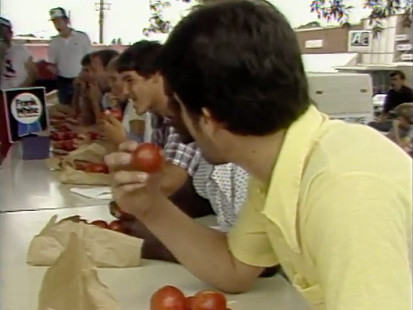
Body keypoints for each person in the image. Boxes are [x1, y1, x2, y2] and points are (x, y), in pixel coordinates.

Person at [105, 1, 412, 309]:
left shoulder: (346, 190)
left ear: (208, 120)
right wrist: (151, 207)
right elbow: (235, 269)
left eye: (179, 108)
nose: (174, 118)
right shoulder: (280, 166)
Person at [115, 41, 202, 197]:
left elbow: (169, 183)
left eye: (130, 81)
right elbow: (154, 173)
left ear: (156, 76)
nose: (125, 92)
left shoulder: (182, 116)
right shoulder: (157, 117)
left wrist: (120, 142)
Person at [48, 7, 92, 105]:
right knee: (65, 108)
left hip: (80, 80)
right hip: (63, 81)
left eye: (59, 21)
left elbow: (89, 59)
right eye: (55, 22)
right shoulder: (54, 42)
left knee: (82, 108)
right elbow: (52, 63)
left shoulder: (82, 37)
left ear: (66, 21)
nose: (57, 25)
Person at [0, 17, 37, 89]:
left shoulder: (21, 50)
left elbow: (33, 74)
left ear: (11, 34)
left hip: (19, 92)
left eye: (4, 32)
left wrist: (21, 88)